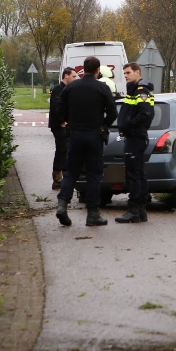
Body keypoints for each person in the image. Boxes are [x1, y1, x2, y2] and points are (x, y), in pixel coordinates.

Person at [55, 56, 118, 227]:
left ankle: (62, 204)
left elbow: (59, 108)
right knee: (93, 174)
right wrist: (104, 124)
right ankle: (92, 214)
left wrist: (70, 120)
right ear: (98, 70)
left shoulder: (71, 87)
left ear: (83, 69)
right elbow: (113, 112)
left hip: (75, 135)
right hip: (94, 136)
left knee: (71, 172)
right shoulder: (102, 88)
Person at [114, 63, 155, 224]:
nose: (125, 75)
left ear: (138, 72)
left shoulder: (141, 90)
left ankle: (134, 210)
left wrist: (129, 124)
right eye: (124, 73)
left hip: (135, 137)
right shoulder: (134, 89)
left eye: (128, 73)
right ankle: (141, 211)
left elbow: (146, 113)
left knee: (133, 174)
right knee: (138, 173)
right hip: (134, 136)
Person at [49, 67, 76, 189]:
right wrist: (62, 121)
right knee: (61, 150)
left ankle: (65, 176)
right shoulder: (58, 89)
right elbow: (56, 107)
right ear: (66, 76)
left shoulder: (69, 89)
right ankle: (57, 178)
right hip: (59, 125)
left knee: (66, 150)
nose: (75, 78)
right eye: (73, 76)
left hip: (67, 124)